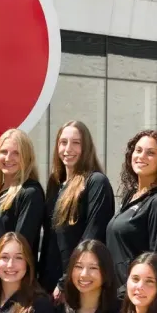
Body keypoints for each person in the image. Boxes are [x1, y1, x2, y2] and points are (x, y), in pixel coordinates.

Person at [41, 121, 114, 299]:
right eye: (63, 142)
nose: (68, 149)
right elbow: (50, 242)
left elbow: (92, 237)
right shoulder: (55, 185)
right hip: (49, 287)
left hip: (78, 285)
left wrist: (65, 281)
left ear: (86, 147)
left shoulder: (96, 182)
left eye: (76, 143)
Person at [0, 129, 45, 296]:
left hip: (10, 287)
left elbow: (20, 247)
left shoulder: (30, 193)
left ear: (27, 157)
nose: (8, 158)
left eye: (16, 153)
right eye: (3, 152)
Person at [107, 129, 157, 294]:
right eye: (138, 150)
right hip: (116, 296)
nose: (141, 156)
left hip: (136, 296)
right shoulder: (131, 196)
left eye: (150, 153)